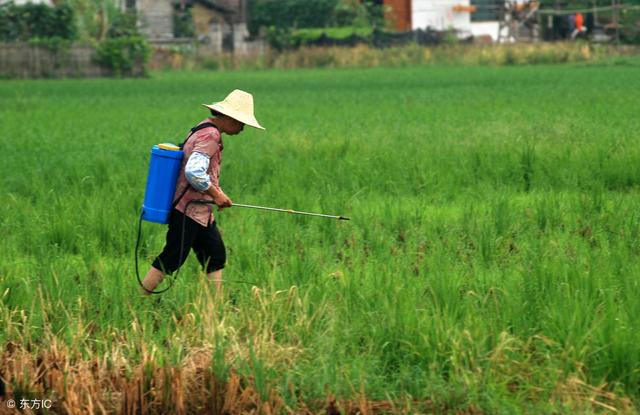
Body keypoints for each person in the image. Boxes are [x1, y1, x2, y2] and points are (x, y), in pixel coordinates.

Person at [140, 89, 265, 296]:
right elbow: (194, 171)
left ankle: (214, 308)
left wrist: (217, 194)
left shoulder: (203, 128)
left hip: (201, 211)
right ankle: (139, 299)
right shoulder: (210, 135)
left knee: (214, 255)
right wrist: (216, 195)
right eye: (241, 123)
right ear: (229, 118)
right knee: (172, 257)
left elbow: (204, 172)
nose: (242, 128)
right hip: (187, 209)